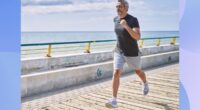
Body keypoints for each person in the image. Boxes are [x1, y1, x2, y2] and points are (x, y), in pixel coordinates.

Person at [105, 0, 149, 108]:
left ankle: (145, 83)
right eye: (116, 6)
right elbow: (119, 35)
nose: (117, 9)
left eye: (120, 6)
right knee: (116, 72)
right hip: (119, 51)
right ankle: (114, 100)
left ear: (126, 8)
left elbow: (137, 37)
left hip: (132, 53)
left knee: (138, 71)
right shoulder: (115, 19)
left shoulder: (133, 20)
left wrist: (126, 26)